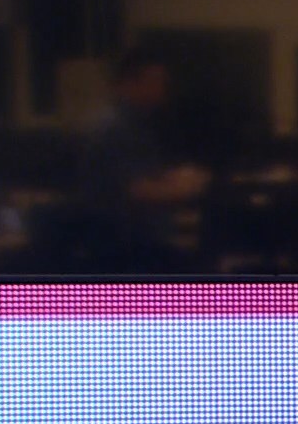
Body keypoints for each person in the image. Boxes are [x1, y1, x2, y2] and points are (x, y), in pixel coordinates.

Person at [76, 46, 209, 272]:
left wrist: (172, 177)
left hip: (137, 244)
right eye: (154, 81)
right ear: (129, 84)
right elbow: (138, 190)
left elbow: (141, 172)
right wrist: (188, 188)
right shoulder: (116, 129)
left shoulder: (133, 125)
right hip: (127, 250)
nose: (161, 89)